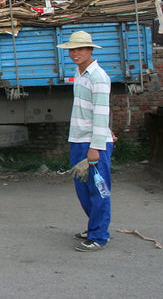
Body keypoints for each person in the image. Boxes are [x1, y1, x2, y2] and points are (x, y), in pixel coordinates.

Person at [58, 30, 114, 252]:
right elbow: (93, 111)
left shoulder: (98, 77)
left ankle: (99, 236)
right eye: (72, 50)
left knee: (99, 190)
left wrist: (97, 145)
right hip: (79, 140)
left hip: (93, 145)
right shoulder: (80, 73)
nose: (75, 53)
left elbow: (102, 111)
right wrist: (107, 131)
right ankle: (94, 227)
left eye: (80, 49)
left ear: (90, 50)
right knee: (83, 189)